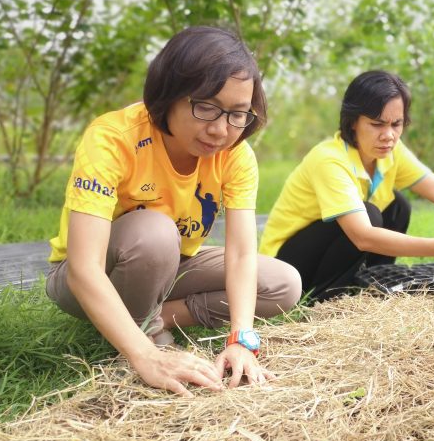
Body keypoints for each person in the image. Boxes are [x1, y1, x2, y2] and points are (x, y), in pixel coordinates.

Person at [46, 26, 302, 397]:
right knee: (154, 233)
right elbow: (84, 269)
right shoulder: (113, 138)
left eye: (237, 114)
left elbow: (242, 254)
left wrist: (241, 339)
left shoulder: (235, 156)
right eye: (206, 107)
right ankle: (141, 341)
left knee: (283, 283)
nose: (220, 130)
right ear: (168, 94)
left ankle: (156, 317)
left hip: (172, 263)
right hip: (87, 274)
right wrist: (146, 355)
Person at [259, 70, 434, 301]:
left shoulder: (391, 152)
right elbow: (362, 236)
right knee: (369, 215)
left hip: (323, 253)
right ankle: (326, 296)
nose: (388, 135)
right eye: (377, 124)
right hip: (285, 268)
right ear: (353, 122)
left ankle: (368, 287)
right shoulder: (329, 159)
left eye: (396, 124)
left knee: (398, 206)